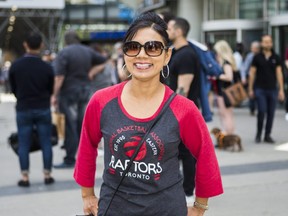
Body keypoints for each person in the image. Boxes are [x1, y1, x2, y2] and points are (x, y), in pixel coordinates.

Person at [74, 12, 223, 216]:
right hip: (113, 208)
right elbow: (87, 145)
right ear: (125, 54)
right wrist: (87, 195)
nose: (142, 55)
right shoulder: (101, 101)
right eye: (133, 47)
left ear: (166, 55)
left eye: (152, 47)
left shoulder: (184, 109)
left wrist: (200, 207)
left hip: (167, 209)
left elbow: (206, 156)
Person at [52, 30, 106, 168]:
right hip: (85, 91)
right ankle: (85, 158)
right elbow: (104, 60)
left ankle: (70, 159)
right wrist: (93, 71)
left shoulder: (64, 53)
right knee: (83, 126)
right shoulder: (87, 51)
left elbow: (59, 77)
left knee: (70, 125)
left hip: (69, 92)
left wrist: (54, 95)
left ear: (66, 40)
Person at [9, 31, 55, 187]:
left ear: (25, 45)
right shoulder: (46, 67)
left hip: (23, 108)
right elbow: (50, 89)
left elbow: (13, 87)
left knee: (24, 142)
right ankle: (47, 175)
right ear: (41, 45)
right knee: (46, 142)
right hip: (42, 108)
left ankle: (25, 177)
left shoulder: (15, 66)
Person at [166, 17, 200, 205]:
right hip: (175, 111)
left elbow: (183, 90)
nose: (167, 31)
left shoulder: (186, 55)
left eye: (170, 28)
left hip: (183, 113)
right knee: (178, 152)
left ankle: (188, 192)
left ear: (179, 31)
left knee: (186, 153)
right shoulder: (176, 53)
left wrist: (175, 116)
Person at [249, 35, 285, 143]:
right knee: (261, 111)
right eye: (265, 42)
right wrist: (250, 89)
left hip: (272, 89)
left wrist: (281, 90)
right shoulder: (257, 57)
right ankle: (259, 134)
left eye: (269, 42)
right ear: (261, 43)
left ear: (272, 43)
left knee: (271, 113)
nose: (267, 44)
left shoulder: (276, 57)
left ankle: (267, 135)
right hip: (260, 89)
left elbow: (279, 74)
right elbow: (252, 73)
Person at [213, 40, 237, 135]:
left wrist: (218, 76)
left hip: (224, 92)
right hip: (225, 92)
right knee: (227, 114)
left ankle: (227, 135)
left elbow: (229, 77)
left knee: (225, 115)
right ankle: (229, 134)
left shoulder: (226, 63)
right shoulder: (228, 61)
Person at [240, 41, 260, 116]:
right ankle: (252, 108)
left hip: (260, 79)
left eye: (253, 48)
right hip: (251, 78)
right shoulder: (250, 56)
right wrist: (243, 77)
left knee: (259, 94)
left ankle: (260, 109)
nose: (252, 49)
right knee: (251, 93)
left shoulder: (261, 56)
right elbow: (244, 67)